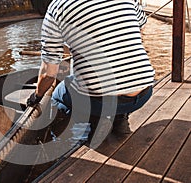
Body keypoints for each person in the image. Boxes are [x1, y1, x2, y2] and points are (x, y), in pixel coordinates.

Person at [27, 0, 155, 141]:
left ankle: (59, 142)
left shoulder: (57, 7)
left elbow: (48, 73)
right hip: (143, 92)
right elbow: (140, 25)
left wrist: (36, 96)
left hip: (99, 102)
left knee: (58, 94)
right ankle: (119, 121)